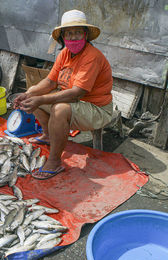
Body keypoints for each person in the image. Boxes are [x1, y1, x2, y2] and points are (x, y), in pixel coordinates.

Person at [13, 10, 113, 180]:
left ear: (85, 34)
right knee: (32, 98)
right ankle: (48, 136)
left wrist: (41, 99)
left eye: (77, 32)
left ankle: (54, 161)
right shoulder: (64, 54)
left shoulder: (92, 56)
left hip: (97, 109)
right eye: (69, 33)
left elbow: (76, 93)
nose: (73, 37)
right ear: (63, 37)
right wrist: (28, 93)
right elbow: (50, 82)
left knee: (59, 108)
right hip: (75, 102)